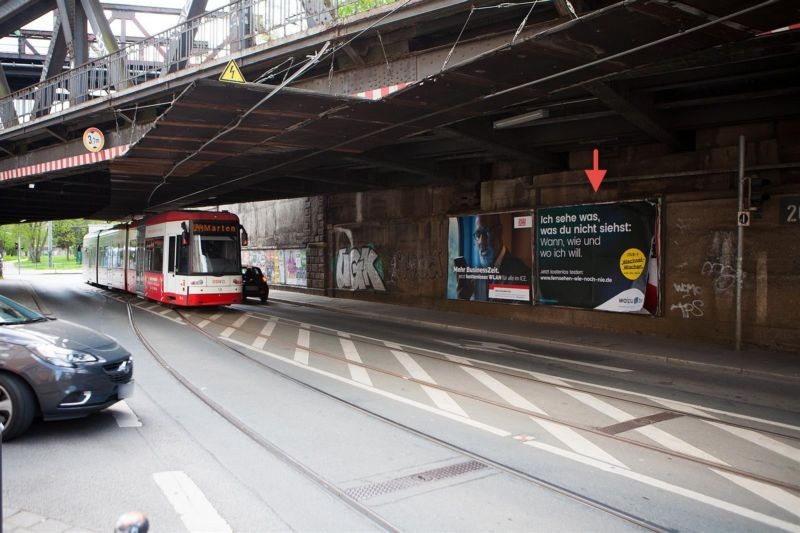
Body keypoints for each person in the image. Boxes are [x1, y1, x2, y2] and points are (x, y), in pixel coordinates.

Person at [456, 213, 530, 301]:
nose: (481, 241)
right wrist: (463, 299)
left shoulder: (522, 273)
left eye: (487, 232)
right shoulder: (476, 275)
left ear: (499, 232)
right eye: (478, 234)